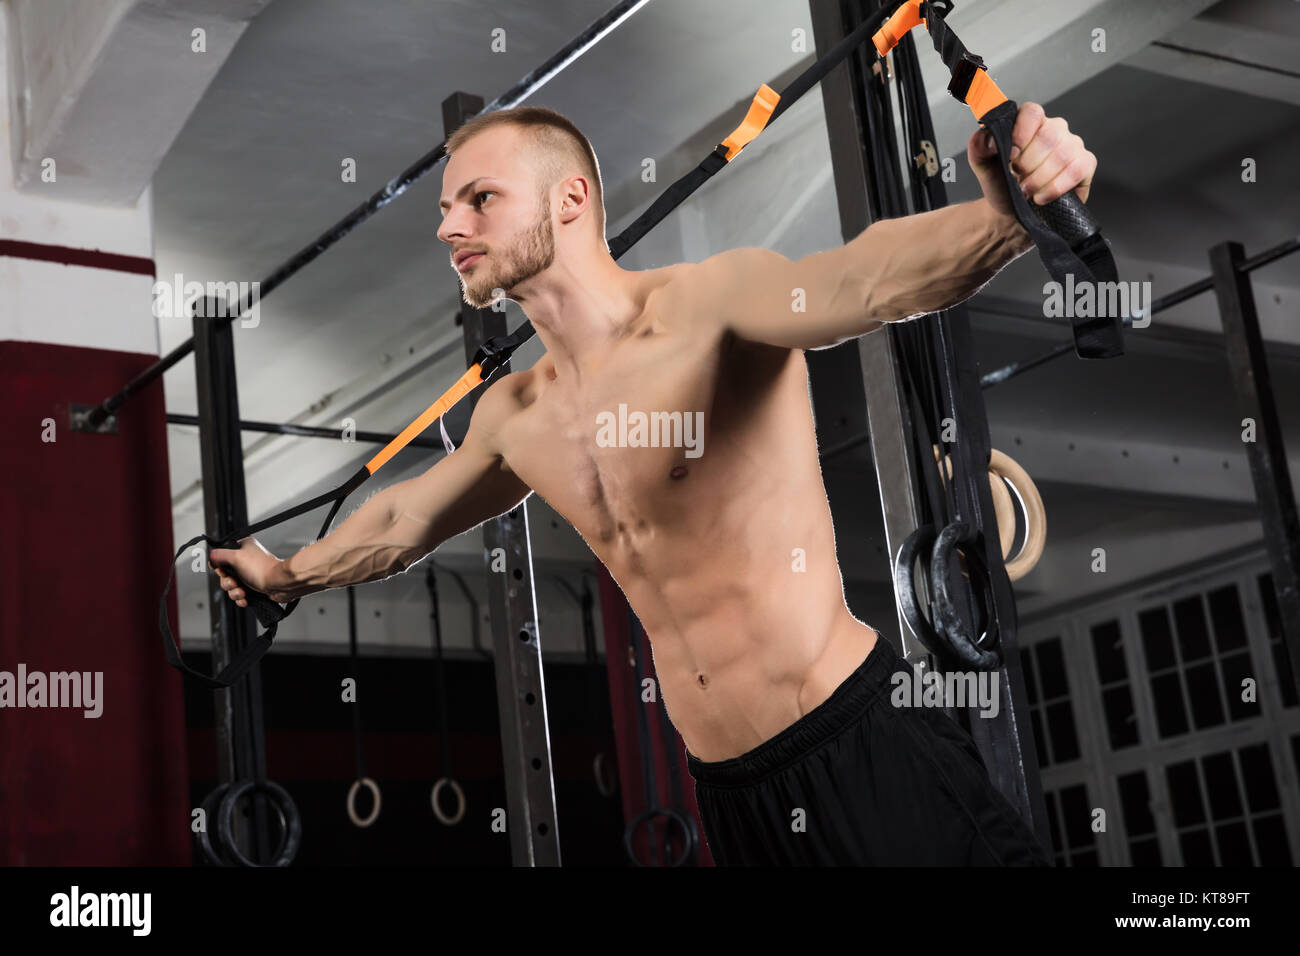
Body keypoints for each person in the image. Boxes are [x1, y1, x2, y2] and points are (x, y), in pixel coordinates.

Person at [211, 102, 1092, 865]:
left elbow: (865, 280)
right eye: (446, 208)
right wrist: (287, 574)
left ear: (570, 200)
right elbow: (407, 518)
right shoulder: (515, 416)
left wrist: (1015, 216)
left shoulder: (710, 306)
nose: (450, 227)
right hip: (732, 793)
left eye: (480, 199)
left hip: (854, 740)